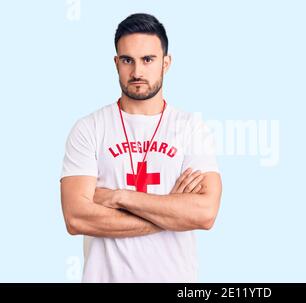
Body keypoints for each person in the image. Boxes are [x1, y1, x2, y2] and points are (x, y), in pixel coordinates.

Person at [60, 13, 222, 283]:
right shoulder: (89, 128)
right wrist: (172, 213)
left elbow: (205, 214)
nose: (137, 72)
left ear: (165, 63)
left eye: (148, 59)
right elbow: (76, 218)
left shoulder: (191, 128)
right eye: (127, 60)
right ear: (116, 63)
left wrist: (118, 197)